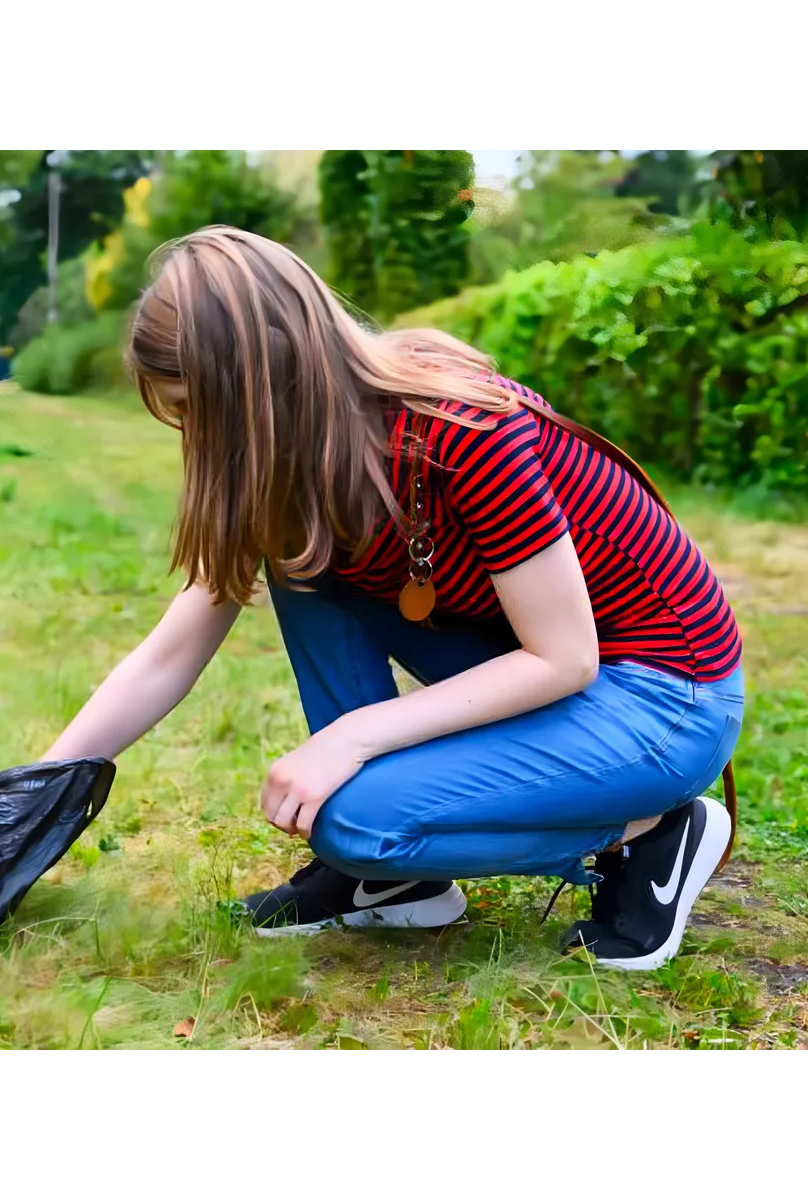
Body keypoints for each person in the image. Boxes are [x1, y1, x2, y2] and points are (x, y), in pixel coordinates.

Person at [42, 226, 744, 972]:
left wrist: (351, 739)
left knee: (352, 822)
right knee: (303, 560)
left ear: (259, 385)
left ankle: (650, 836)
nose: (194, 437)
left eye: (196, 412)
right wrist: (38, 789)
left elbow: (565, 659)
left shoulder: (463, 428)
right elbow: (172, 650)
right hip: (544, 665)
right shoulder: (299, 458)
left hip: (662, 697)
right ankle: (395, 882)